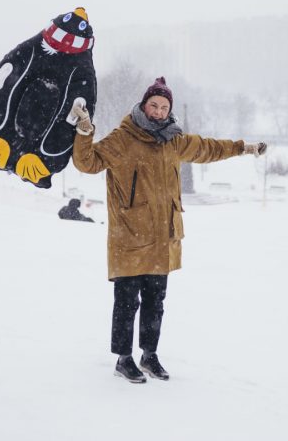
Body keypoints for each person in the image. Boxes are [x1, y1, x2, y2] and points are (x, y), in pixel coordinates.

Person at [69, 76, 266, 384]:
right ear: (143, 106)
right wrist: (84, 130)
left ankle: (149, 355)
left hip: (163, 237)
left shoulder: (174, 140)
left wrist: (244, 148)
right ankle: (124, 359)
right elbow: (87, 162)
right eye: (154, 105)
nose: (159, 111)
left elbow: (209, 148)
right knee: (126, 301)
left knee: (155, 301)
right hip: (130, 237)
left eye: (164, 107)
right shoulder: (124, 138)